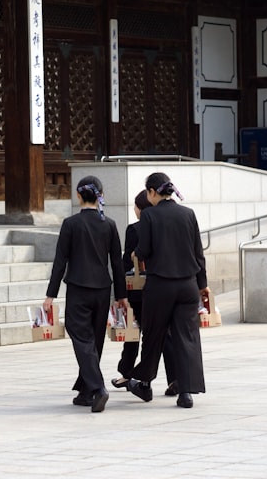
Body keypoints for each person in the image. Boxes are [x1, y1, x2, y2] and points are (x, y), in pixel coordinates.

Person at [43, 175, 129, 413]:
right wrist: (121, 295)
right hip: (102, 289)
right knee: (95, 340)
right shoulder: (109, 224)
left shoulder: (71, 224)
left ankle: (98, 388)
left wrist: (50, 295)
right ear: (101, 195)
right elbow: (117, 263)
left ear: (78, 196)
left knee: (81, 338)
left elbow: (60, 262)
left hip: (79, 288)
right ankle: (86, 391)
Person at [126, 172, 209, 409]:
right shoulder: (188, 214)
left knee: (154, 335)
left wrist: (136, 255)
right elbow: (198, 253)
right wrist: (202, 285)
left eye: (148, 194)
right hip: (187, 286)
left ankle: (144, 384)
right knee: (187, 338)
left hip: (160, 285)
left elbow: (145, 250)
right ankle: (186, 392)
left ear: (153, 192)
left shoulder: (150, 215)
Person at [111, 189, 178, 396]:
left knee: (134, 332)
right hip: (165, 288)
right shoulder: (168, 226)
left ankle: (128, 374)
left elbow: (127, 263)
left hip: (139, 290)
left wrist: (120, 292)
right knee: (164, 335)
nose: (134, 209)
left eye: (136, 206)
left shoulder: (135, 229)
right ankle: (174, 378)